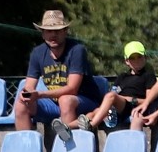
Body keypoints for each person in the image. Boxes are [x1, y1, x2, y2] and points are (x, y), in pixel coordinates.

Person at [15, 10, 101, 142]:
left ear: (65, 31)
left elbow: (72, 89)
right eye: (49, 31)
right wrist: (27, 95)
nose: (53, 34)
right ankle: (26, 151)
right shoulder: (37, 53)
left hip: (84, 100)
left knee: (65, 100)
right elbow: (29, 86)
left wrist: (40, 94)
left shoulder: (77, 50)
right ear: (43, 33)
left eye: (57, 30)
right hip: (53, 103)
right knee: (21, 104)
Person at [75, 41, 156, 130]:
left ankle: (92, 126)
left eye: (139, 57)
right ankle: (69, 126)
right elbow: (114, 91)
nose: (136, 60)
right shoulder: (122, 77)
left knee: (111, 96)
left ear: (145, 57)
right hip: (118, 106)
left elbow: (150, 100)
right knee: (95, 112)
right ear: (127, 61)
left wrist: (133, 100)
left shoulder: (148, 76)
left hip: (133, 108)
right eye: (132, 58)